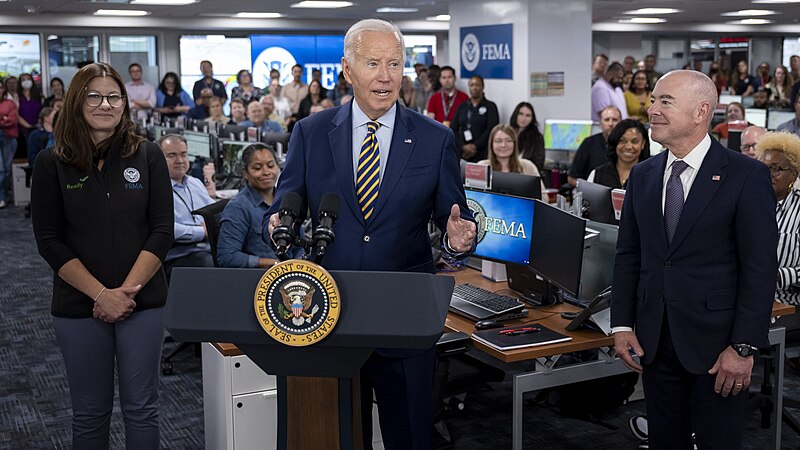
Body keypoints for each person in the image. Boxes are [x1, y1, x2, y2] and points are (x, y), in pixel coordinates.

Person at [265, 19, 476, 450]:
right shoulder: (310, 132)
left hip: (404, 314)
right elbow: (286, 203)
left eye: (395, 64)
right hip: (329, 314)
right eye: (373, 63)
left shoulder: (436, 139)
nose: (385, 76)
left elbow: (454, 218)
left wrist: (457, 240)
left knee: (411, 436)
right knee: (338, 433)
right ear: (347, 69)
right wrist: (275, 223)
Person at [611, 70, 778, 449]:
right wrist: (621, 324)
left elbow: (759, 269)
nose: (652, 109)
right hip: (654, 342)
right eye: (653, 100)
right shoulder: (644, 175)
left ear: (701, 111)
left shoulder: (746, 176)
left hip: (719, 349)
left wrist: (743, 346)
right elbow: (629, 256)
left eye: (664, 101)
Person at [30, 62, 174, 448]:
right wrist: (100, 295)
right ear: (77, 101)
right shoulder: (50, 163)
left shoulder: (147, 155)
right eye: (94, 96)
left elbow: (162, 231)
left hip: (141, 302)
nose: (105, 104)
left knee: (142, 408)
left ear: (125, 104)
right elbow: (49, 240)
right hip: (79, 305)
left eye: (114, 96)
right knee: (90, 413)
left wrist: (123, 294)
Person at [217, 144, 302, 268]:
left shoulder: (287, 201)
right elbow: (227, 257)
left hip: (294, 273)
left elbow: (299, 244)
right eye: (257, 168)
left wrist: (300, 262)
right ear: (245, 173)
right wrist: (274, 264)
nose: (266, 172)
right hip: (262, 278)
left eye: (271, 166)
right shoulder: (238, 207)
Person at [159, 134, 215, 276]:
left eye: (183, 154)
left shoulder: (195, 183)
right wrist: (203, 232)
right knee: (211, 264)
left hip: (206, 248)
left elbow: (214, 211)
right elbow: (166, 228)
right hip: (178, 256)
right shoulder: (156, 189)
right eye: (172, 155)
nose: (180, 160)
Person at [755, 132, 800, 306]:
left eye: (777, 168)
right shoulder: (748, 203)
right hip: (746, 300)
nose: (769, 174)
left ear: (794, 175)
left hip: (788, 304)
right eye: (764, 168)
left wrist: (779, 275)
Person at [477, 124, 546, 198]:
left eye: (508, 140)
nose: (503, 145)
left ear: (514, 143)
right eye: (498, 141)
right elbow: (473, 197)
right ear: (491, 144)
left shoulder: (528, 166)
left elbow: (544, 197)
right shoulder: (481, 166)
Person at [587, 119, 650, 189]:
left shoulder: (651, 175)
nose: (628, 147)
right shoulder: (597, 174)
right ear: (615, 142)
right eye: (622, 141)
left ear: (643, 144)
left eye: (634, 142)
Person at [450, 75, 499, 163]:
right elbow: (453, 128)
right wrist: (463, 146)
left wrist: (475, 146)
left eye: (477, 85)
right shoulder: (462, 106)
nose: (474, 88)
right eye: (472, 85)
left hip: (482, 152)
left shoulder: (490, 106)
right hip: (463, 152)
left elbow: (491, 129)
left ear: (483, 87)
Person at [568, 105, 621, 186]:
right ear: (600, 124)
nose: (610, 124)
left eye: (615, 120)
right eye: (607, 120)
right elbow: (572, 179)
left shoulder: (625, 146)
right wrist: (589, 188)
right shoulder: (588, 143)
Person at [509, 101, 545, 173]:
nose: (523, 118)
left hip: (525, 175)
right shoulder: (507, 133)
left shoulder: (537, 137)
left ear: (532, 118)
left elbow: (538, 163)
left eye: (528, 115)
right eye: (521, 114)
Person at [0, 79, 18, 209]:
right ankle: (2, 197)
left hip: (8, 137)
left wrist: (4, 119)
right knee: (0, 170)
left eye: (0, 87)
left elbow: (12, 120)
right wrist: (3, 118)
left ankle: (5, 195)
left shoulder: (10, 103)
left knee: (7, 170)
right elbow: (6, 119)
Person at [17, 73, 43, 157]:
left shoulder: (38, 96)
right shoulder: (17, 96)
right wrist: (27, 125)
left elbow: (42, 111)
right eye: (23, 79)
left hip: (37, 127)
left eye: (28, 79)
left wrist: (38, 122)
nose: (26, 81)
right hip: (22, 129)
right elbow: (16, 113)